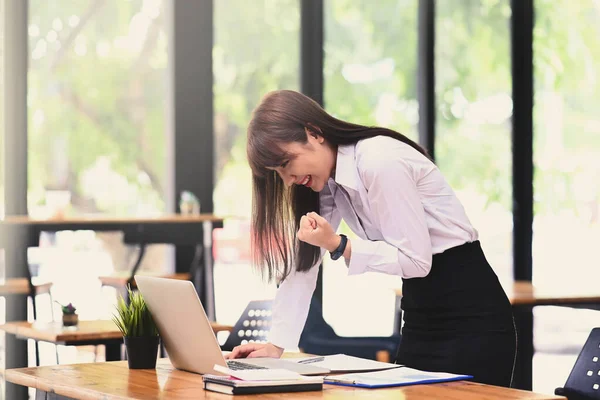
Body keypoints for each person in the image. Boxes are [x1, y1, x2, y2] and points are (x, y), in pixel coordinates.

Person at [226, 89, 516, 387]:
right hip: (421, 315)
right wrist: (275, 346)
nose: (288, 180)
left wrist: (340, 245)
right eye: (278, 173)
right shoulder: (328, 184)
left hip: (472, 315)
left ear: (313, 133)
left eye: (286, 164)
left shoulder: (378, 160)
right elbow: (304, 265)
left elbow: (417, 261)